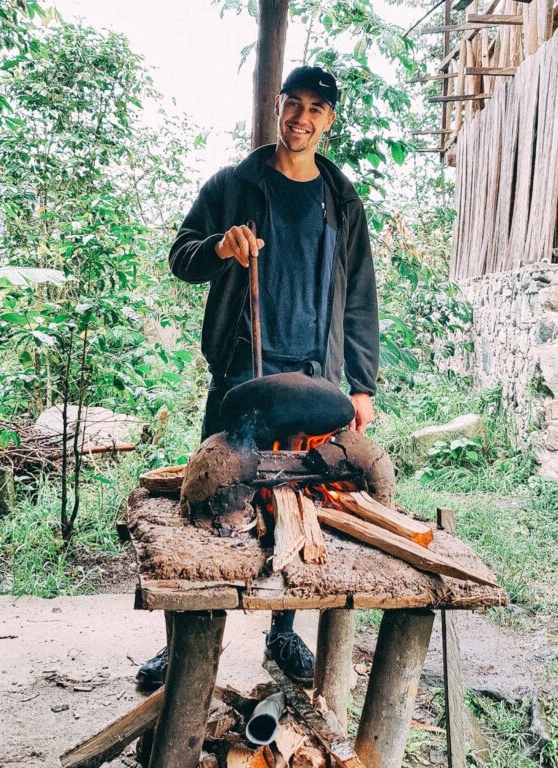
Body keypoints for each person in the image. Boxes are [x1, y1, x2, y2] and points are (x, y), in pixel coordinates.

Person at [138, 65, 379, 689]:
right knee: (210, 503)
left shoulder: (341, 199)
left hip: (314, 379)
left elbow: (358, 298)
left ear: (330, 120)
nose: (301, 118)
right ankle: (188, 635)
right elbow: (180, 256)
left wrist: (362, 385)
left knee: (301, 507)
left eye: (315, 109)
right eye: (293, 104)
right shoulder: (234, 184)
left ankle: (284, 634)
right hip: (242, 376)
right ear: (278, 107)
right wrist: (219, 246)